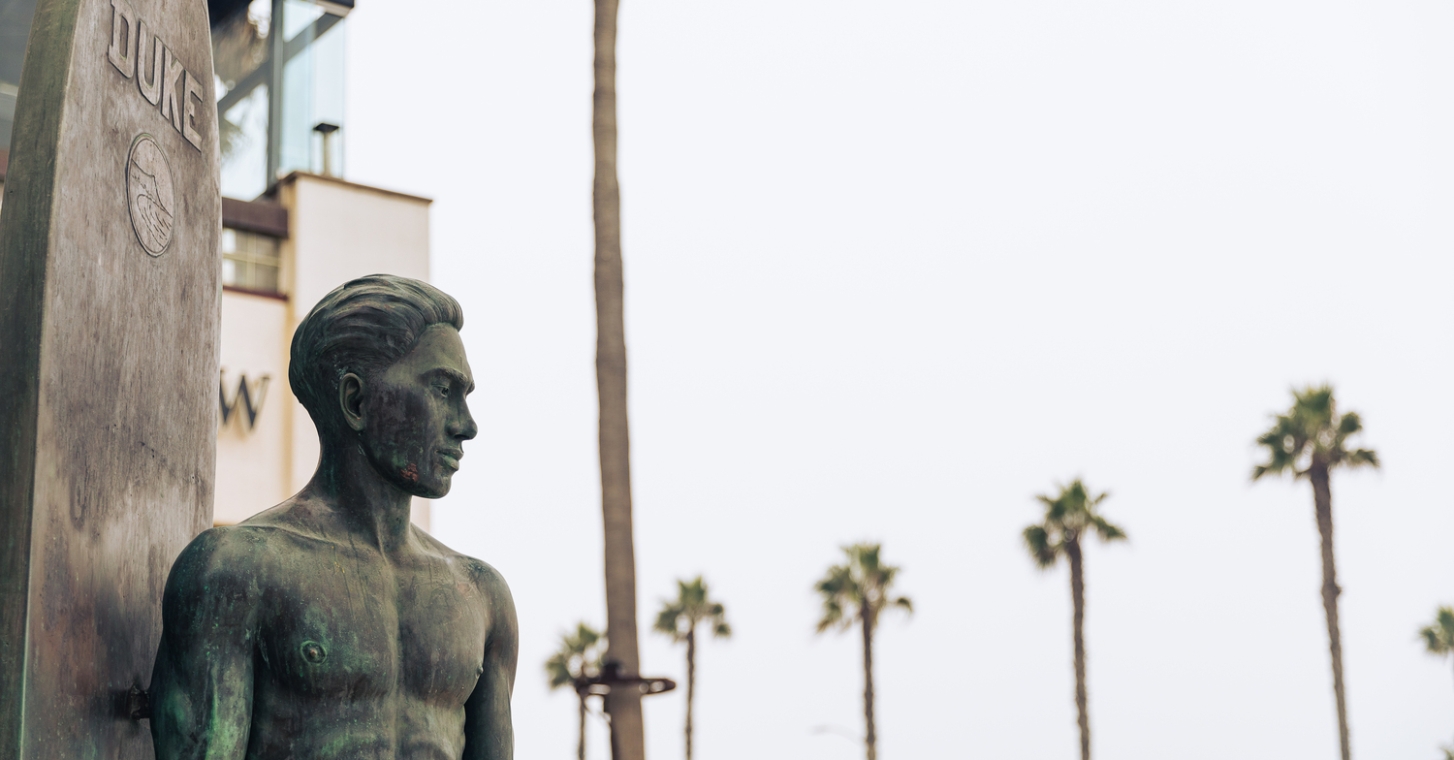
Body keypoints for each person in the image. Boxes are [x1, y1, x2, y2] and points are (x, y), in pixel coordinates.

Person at [150, 275, 516, 760]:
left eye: (465, 395)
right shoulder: (235, 572)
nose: (465, 425)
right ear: (356, 401)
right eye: (442, 389)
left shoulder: (482, 595)